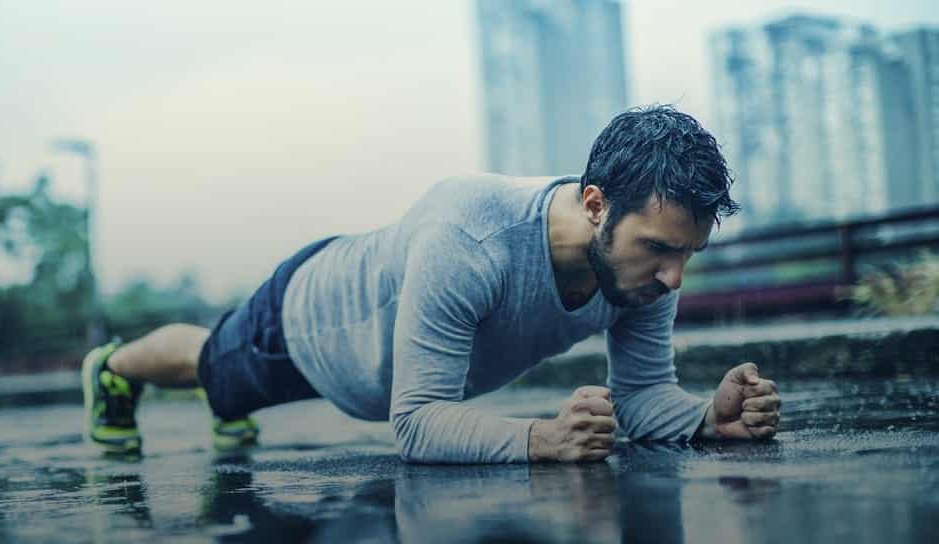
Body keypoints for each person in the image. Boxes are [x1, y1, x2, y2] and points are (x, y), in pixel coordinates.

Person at [81, 105, 782, 463]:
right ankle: (112, 368)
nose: (674, 277)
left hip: (374, 352)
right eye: (660, 250)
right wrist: (541, 438)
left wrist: (703, 420)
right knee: (214, 367)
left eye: (688, 254)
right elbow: (414, 422)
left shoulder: (644, 271)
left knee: (223, 386)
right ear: (597, 205)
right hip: (311, 323)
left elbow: (642, 396)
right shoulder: (473, 236)